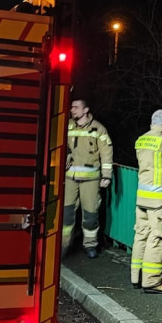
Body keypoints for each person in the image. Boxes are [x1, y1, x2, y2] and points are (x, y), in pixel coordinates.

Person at [63, 96, 113, 259]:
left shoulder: (99, 129)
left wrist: (106, 176)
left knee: (90, 215)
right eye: (71, 107)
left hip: (91, 180)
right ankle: (63, 246)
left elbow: (106, 153)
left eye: (75, 107)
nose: (72, 110)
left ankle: (90, 245)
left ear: (85, 110)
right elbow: (58, 146)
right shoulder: (67, 126)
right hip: (69, 178)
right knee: (66, 213)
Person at [132, 109, 162, 292]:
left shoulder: (141, 139)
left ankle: (136, 276)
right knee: (158, 237)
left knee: (141, 235)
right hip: (158, 199)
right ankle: (151, 280)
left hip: (141, 196)